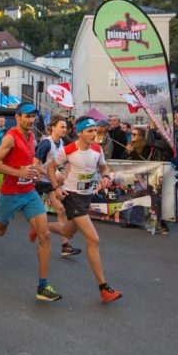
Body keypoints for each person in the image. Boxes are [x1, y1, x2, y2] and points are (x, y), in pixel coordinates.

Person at [0, 103, 62, 302]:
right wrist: (20, 173)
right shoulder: (10, 137)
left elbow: (31, 163)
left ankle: (42, 285)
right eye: (27, 116)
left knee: (45, 234)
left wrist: (48, 175)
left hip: (29, 192)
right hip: (10, 194)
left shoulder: (31, 136)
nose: (31, 120)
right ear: (18, 116)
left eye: (33, 117)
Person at [47, 116, 123, 303]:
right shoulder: (69, 150)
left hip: (85, 197)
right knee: (93, 239)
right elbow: (50, 168)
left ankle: (42, 226)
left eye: (95, 131)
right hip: (71, 197)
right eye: (89, 131)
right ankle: (103, 288)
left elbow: (104, 169)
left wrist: (107, 177)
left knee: (67, 231)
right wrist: (56, 187)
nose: (93, 134)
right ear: (79, 133)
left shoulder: (97, 150)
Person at [33, 116, 81, 257]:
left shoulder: (62, 143)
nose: (65, 129)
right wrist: (50, 173)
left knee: (60, 209)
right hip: (38, 180)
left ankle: (65, 246)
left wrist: (62, 176)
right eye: (62, 126)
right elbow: (35, 164)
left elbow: (67, 161)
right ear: (53, 127)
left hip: (50, 182)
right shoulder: (46, 143)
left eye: (66, 127)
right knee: (29, 213)